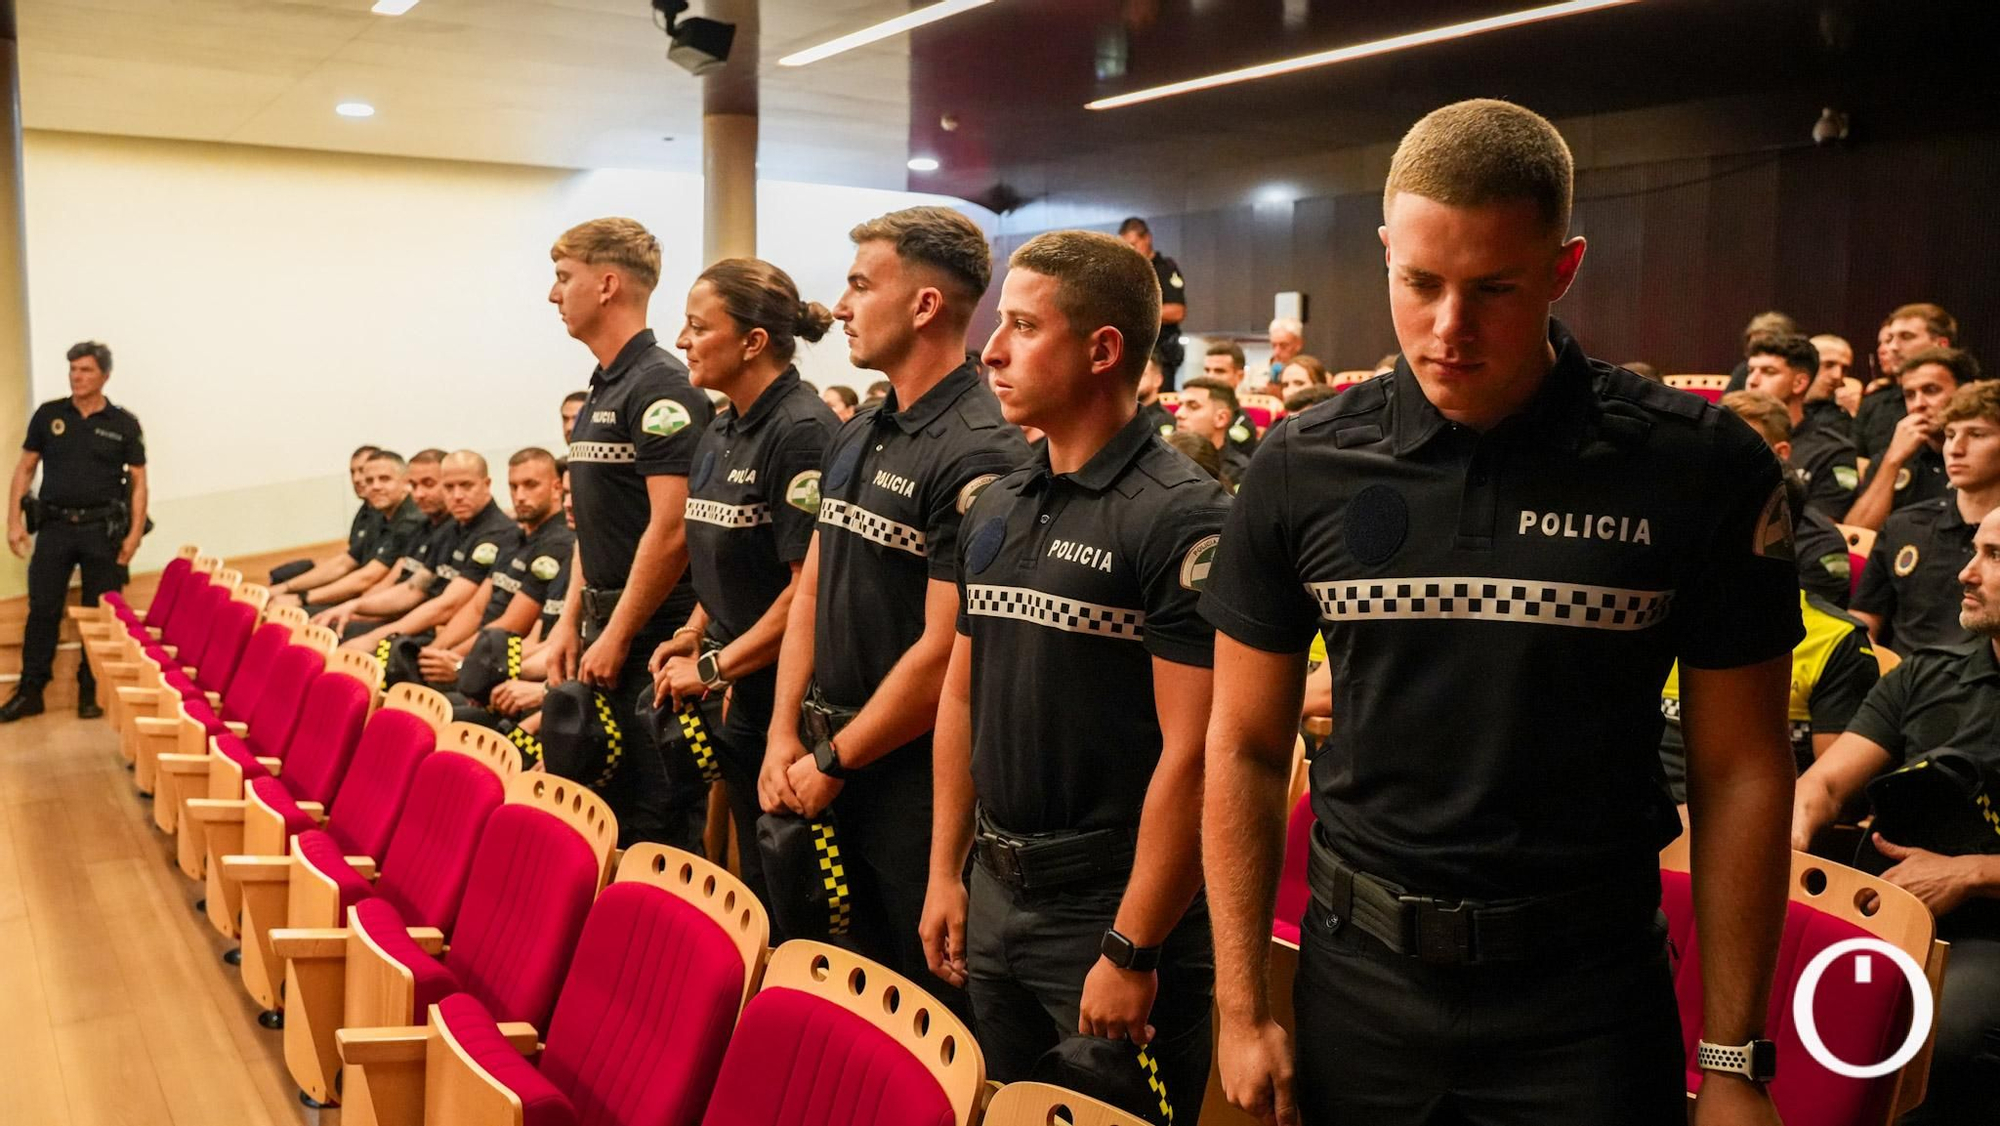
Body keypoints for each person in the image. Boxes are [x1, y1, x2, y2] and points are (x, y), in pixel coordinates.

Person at [1200, 99, 1800, 1126]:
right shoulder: (1298, 466)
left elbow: (1740, 766)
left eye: (1493, 289)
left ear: (1562, 269)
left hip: (1585, 1001)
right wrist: (1241, 1000)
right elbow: (1247, 745)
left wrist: (1733, 1055)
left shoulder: (1695, 466)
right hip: (1360, 987)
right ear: (1383, 247)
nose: (1448, 328)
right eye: (1418, 282)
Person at [922, 229, 1229, 1113]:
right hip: (996, 888)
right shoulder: (999, 504)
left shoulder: (1181, 517)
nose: (994, 350)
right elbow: (962, 691)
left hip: (1109, 908)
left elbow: (1196, 754)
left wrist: (1133, 945)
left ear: (1102, 351)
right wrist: (947, 869)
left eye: (1023, 326)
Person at [760, 205, 1027, 1005]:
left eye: (858, 284)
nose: (839, 306)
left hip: (907, 779)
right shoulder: (861, 425)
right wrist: (783, 732)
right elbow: (810, 586)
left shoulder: (983, 448)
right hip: (819, 755)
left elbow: (945, 649)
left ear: (924, 306)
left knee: (913, 1008)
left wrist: (836, 758)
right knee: (831, 991)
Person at [1790, 506, 2000, 1126]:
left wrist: (1969, 874)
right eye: (1974, 550)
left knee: (1936, 1035)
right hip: (1885, 904)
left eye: (1995, 557)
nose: (1966, 572)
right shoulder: (1931, 672)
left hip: (1987, 928)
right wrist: (1794, 833)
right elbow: (1824, 784)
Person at [646, 257, 840, 920]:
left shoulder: (802, 431)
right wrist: (694, 630)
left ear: (753, 342)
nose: (681, 341)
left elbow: (804, 590)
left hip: (784, 695)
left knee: (790, 890)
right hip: (735, 683)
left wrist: (715, 666)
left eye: (698, 327)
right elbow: (723, 554)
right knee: (750, 879)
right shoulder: (723, 424)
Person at [542, 216, 715, 850]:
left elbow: (671, 531)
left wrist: (615, 634)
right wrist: (568, 621)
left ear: (608, 283)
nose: (554, 294)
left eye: (565, 278)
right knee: (599, 822)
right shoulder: (601, 386)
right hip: (602, 629)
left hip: (650, 643)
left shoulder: (662, 386)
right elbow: (595, 523)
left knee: (654, 828)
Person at [3, 341, 148, 723]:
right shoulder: (50, 415)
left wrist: (133, 535)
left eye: (85, 370)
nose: (77, 376)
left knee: (100, 615)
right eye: (73, 369)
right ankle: (31, 691)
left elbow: (139, 483)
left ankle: (90, 692)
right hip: (55, 528)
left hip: (102, 530)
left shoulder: (123, 423)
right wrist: (14, 521)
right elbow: (25, 468)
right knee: (43, 610)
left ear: (104, 376)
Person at [1853, 378, 2000, 653]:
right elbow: (1863, 620)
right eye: (1950, 434)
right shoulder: (1903, 525)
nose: (1956, 449)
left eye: (1977, 435)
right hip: (1904, 683)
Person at [415, 448, 573, 686]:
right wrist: (434, 654)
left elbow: (513, 623)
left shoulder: (559, 543)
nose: (519, 496)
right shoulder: (513, 536)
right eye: (514, 486)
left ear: (556, 488)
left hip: (501, 661)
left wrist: (460, 662)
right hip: (483, 655)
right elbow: (477, 608)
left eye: (530, 485)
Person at [336, 450, 519, 650]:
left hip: (453, 637)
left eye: (466, 486)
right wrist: (355, 606)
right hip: (422, 626)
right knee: (337, 631)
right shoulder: (449, 529)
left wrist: (375, 639)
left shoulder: (498, 534)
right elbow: (412, 589)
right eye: (449, 487)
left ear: (486, 485)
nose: (457, 496)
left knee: (369, 652)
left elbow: (449, 606)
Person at [1720, 392, 1853, 607]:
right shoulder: (1703, 520)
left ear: (1780, 453)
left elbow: (1810, 630)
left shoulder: (1819, 543)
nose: (1723, 459)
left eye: (1741, 448)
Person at [272, 449, 426, 611]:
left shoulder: (412, 520)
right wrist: (285, 588)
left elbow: (368, 577)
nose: (375, 486)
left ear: (406, 483)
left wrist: (302, 598)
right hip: (368, 601)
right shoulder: (378, 515)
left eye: (384, 479)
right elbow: (345, 562)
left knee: (299, 615)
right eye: (369, 481)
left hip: (391, 608)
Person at [1845, 345, 1979, 531]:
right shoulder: (1892, 457)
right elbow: (1856, 536)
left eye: (1931, 390)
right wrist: (1893, 461)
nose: (1918, 404)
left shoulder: (1986, 458)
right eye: (1909, 395)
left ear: (1965, 393)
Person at [1740, 334, 1860, 519]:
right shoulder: (1735, 436)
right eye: (1751, 370)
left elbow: (1819, 530)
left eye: (1768, 371)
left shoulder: (1832, 451)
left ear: (1799, 383)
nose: (1752, 381)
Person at [1854, 303, 1958, 460]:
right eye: (1890, 339)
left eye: (1906, 336)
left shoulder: (1969, 399)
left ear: (1941, 344)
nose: (1893, 347)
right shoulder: (1874, 403)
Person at [1118, 217, 1188, 386]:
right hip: (1132, 353)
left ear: (1147, 238)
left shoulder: (1164, 269)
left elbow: (1177, 311)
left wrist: (1135, 313)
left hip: (1160, 352)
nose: (1130, 251)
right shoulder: (1125, 273)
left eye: (1133, 244)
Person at [1175, 377, 1249, 489]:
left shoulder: (1240, 473)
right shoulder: (1166, 459)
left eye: (1193, 406)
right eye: (1179, 405)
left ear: (1221, 418)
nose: (1178, 414)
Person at [1197, 342, 1261, 459]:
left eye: (1219, 371)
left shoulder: (1242, 424)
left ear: (1240, 376)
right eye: (1207, 370)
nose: (1210, 377)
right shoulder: (1190, 414)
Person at [1723, 310, 1799, 392]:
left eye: (1769, 372)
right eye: (1753, 345)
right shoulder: (1743, 370)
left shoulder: (1798, 370)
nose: (1752, 381)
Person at [1137, 357, 1174, 437]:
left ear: (1157, 381)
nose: (1135, 379)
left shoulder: (1164, 421)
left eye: (1141, 374)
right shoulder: (1124, 417)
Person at [1266, 317, 1304, 384]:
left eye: (1284, 346)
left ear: (1298, 344)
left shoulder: (1310, 374)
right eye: (1273, 346)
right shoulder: (1255, 373)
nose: (1276, 352)